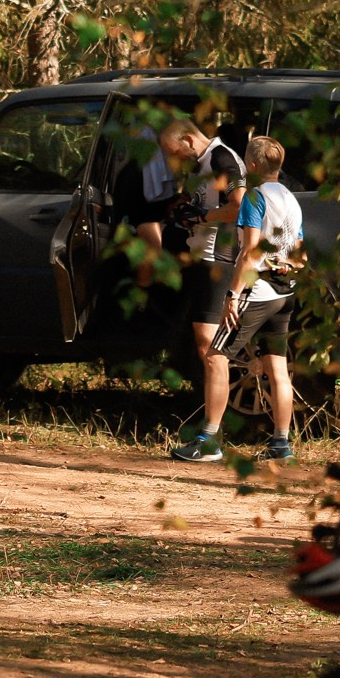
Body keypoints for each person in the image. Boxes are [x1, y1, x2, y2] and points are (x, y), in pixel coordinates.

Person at [117, 115, 244, 461]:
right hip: (202, 257)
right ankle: (209, 434)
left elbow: (238, 206)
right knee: (205, 347)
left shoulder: (222, 159)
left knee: (211, 349)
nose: (179, 159)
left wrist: (202, 219)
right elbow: (202, 202)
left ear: (188, 139)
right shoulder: (203, 164)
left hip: (219, 260)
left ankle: (211, 439)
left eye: (178, 152)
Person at [218, 134, 306, 461]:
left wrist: (233, 293)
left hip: (258, 291)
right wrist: (284, 264)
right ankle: (281, 444)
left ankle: (208, 439)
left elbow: (250, 251)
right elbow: (300, 256)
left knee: (215, 357)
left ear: (252, 166)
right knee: (278, 370)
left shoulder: (254, 198)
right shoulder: (291, 200)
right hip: (286, 292)